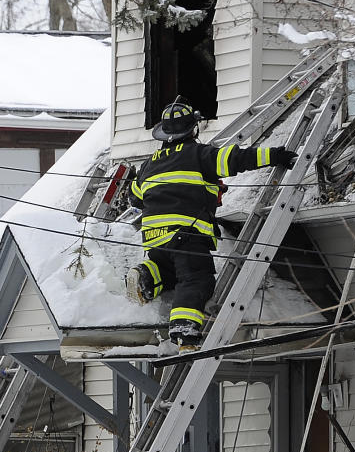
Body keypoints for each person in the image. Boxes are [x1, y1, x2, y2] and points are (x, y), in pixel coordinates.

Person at [126, 99, 297, 348]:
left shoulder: (149, 164)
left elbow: (136, 198)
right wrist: (275, 155)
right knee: (197, 278)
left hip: (154, 236)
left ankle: (146, 276)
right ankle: (184, 329)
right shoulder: (199, 154)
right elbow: (237, 158)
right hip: (187, 232)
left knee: (171, 272)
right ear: (192, 129)